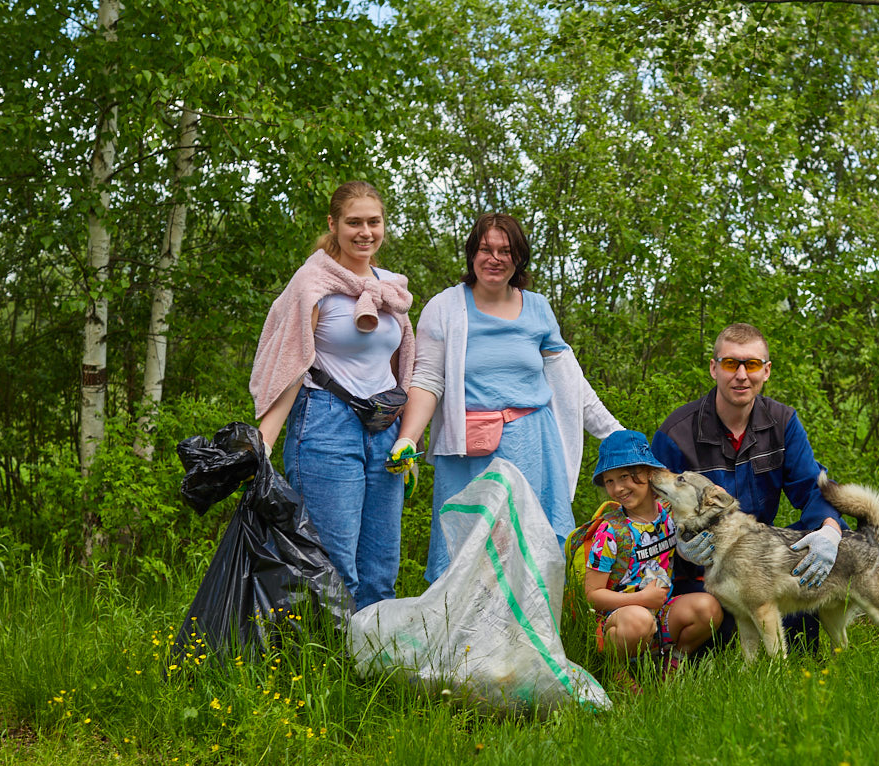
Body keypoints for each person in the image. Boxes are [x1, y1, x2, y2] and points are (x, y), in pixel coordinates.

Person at [393, 212, 622, 583]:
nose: (494, 258)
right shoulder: (445, 307)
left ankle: (525, 637)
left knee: (525, 548)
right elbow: (427, 379)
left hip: (531, 447)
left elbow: (571, 384)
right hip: (466, 450)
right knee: (466, 550)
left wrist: (616, 434)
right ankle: (459, 638)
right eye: (485, 249)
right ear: (472, 254)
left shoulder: (537, 308)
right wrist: (407, 438)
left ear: (518, 259)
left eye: (505, 250)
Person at [249, 181, 415, 610]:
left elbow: (400, 366)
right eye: (354, 222)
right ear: (333, 224)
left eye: (373, 222)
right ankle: (325, 667)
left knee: (381, 563)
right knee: (333, 560)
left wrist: (406, 435)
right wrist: (263, 441)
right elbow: (290, 364)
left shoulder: (390, 288)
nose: (365, 232)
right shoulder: (313, 282)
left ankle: (372, 667)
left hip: (383, 427)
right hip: (326, 422)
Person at [650, 323, 845, 652]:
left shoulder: (783, 423)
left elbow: (813, 490)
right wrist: (677, 544)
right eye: (730, 364)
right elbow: (648, 507)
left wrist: (830, 530)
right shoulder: (676, 433)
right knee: (718, 625)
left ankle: (799, 628)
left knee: (825, 538)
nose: (741, 375)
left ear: (766, 371)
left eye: (751, 364)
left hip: (759, 564)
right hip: (700, 573)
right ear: (714, 368)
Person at [583, 430, 723, 669]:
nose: (618, 488)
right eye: (610, 481)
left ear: (649, 474)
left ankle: (673, 661)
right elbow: (592, 595)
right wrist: (641, 599)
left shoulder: (669, 513)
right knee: (638, 620)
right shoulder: (610, 531)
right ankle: (616, 671)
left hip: (662, 611)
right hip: (622, 616)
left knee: (708, 608)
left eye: (625, 476)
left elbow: (710, 509)